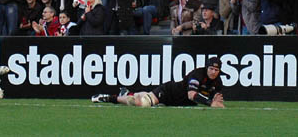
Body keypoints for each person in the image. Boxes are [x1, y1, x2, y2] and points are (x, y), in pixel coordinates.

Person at [92, 57, 224, 108]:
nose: (213, 72)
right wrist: (210, 103)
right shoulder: (198, 74)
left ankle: (127, 93)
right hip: (169, 93)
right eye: (211, 69)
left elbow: (216, 98)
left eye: (216, 70)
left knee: (146, 96)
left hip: (178, 102)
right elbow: (192, 95)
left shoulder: (218, 82)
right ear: (206, 68)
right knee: (142, 103)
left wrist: (216, 100)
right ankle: (109, 98)